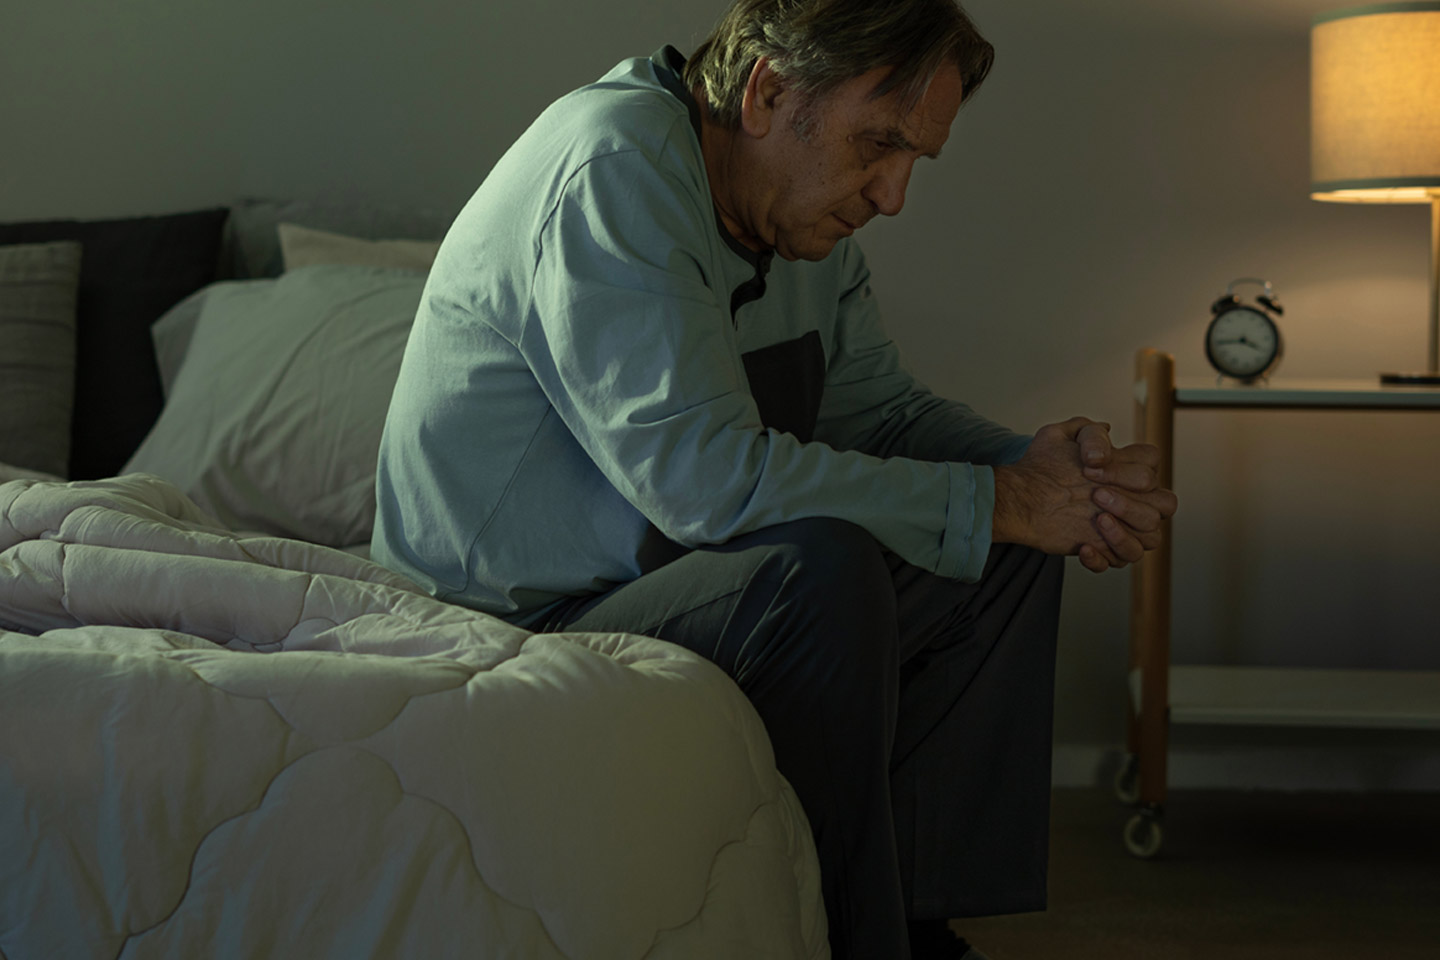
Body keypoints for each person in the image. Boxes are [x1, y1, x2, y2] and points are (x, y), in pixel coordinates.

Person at [372, 0, 1177, 956]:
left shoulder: (798, 226)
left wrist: (1038, 473)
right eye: (879, 144)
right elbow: (702, 483)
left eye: (914, 158)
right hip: (509, 628)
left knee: (999, 553)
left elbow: (884, 416)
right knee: (821, 571)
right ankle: (846, 939)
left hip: (658, 588)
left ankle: (924, 926)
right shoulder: (613, 165)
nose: (892, 196)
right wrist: (1003, 500)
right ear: (766, 91)